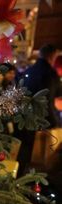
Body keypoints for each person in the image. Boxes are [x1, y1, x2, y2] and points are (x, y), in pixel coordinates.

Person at [15, 44, 61, 176]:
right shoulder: (51, 74)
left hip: (24, 118)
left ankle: (19, 177)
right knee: (41, 158)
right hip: (44, 120)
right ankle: (35, 181)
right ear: (52, 56)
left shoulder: (29, 71)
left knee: (24, 152)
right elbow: (57, 100)